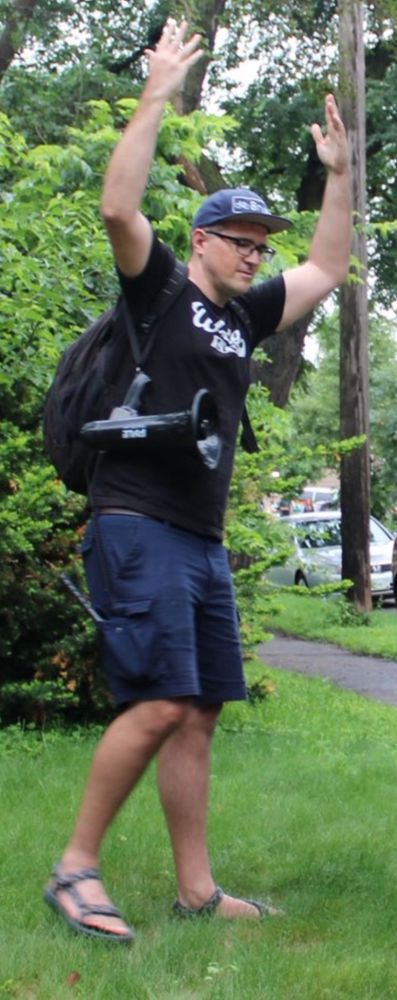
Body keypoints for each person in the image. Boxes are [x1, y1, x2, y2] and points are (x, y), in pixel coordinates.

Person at [44, 18, 351, 942]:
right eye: (240, 237)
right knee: (161, 699)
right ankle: (74, 870)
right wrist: (155, 96)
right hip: (136, 521)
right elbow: (115, 211)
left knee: (199, 712)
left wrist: (339, 178)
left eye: (262, 240)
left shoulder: (246, 316)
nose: (255, 251)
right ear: (201, 238)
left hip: (201, 538)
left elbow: (329, 265)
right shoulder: (161, 288)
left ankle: (195, 890)